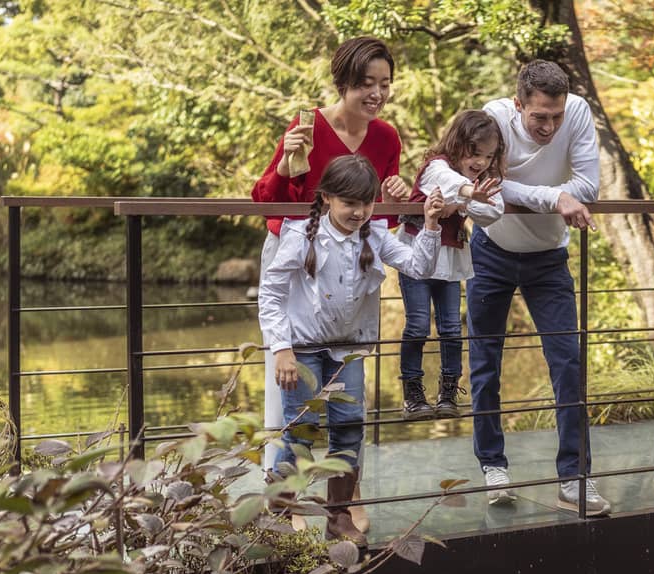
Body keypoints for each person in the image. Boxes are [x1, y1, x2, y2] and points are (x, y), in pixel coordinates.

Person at [258, 155, 447, 546]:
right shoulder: (301, 235)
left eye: (366, 203)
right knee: (299, 431)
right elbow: (272, 293)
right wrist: (281, 348)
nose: (359, 212)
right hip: (304, 348)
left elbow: (418, 266)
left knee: (348, 428)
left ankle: (338, 517)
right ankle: (276, 517)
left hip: (349, 350)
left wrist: (429, 225)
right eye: (349, 204)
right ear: (327, 198)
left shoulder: (374, 235)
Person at [251, 35, 409, 473]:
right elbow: (267, 202)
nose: (376, 94)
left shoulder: (385, 138)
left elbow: (382, 222)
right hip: (298, 258)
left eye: (385, 83)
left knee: (347, 403)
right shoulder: (307, 128)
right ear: (343, 83)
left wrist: (398, 195)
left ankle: (344, 498)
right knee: (290, 386)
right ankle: (283, 497)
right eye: (365, 84)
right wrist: (285, 163)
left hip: (353, 268)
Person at [469, 60, 610, 515]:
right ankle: (494, 467)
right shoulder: (492, 117)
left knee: (568, 363)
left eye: (556, 115)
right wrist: (554, 196)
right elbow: (485, 185)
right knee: (485, 362)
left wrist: (559, 194)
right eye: (539, 118)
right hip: (490, 251)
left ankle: (574, 478)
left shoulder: (578, 112)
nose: (550, 126)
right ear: (518, 106)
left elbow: (588, 183)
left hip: (549, 259)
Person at [397, 110, 506, 421]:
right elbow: (448, 182)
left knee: (450, 329)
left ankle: (448, 391)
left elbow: (493, 210)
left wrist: (466, 200)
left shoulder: (478, 182)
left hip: (449, 262)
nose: (481, 162)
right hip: (417, 258)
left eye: (487, 156)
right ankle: (413, 392)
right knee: (418, 325)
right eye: (474, 153)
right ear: (458, 144)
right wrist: (469, 194)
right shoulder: (436, 166)